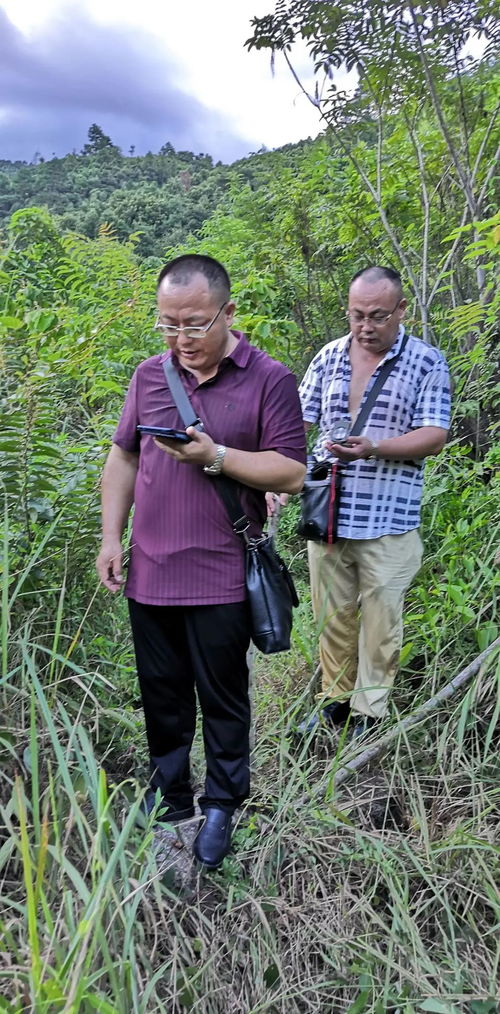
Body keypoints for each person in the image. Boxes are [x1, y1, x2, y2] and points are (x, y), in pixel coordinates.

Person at [96, 254, 306, 869]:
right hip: (151, 571)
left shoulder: (269, 378)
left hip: (220, 573)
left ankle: (222, 804)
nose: (181, 339)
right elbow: (124, 459)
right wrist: (112, 537)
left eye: (194, 324)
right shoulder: (149, 376)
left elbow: (291, 471)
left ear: (228, 313)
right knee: (161, 694)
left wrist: (217, 457)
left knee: (223, 695)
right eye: (168, 325)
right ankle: (172, 800)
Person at [297, 266, 451, 737]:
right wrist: (278, 482)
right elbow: (295, 423)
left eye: (378, 316)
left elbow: (435, 434)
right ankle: (334, 702)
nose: (365, 326)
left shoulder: (426, 362)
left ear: (401, 310)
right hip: (328, 514)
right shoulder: (328, 357)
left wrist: (375, 447)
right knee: (332, 619)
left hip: (389, 519)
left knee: (381, 623)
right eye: (357, 315)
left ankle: (370, 712)